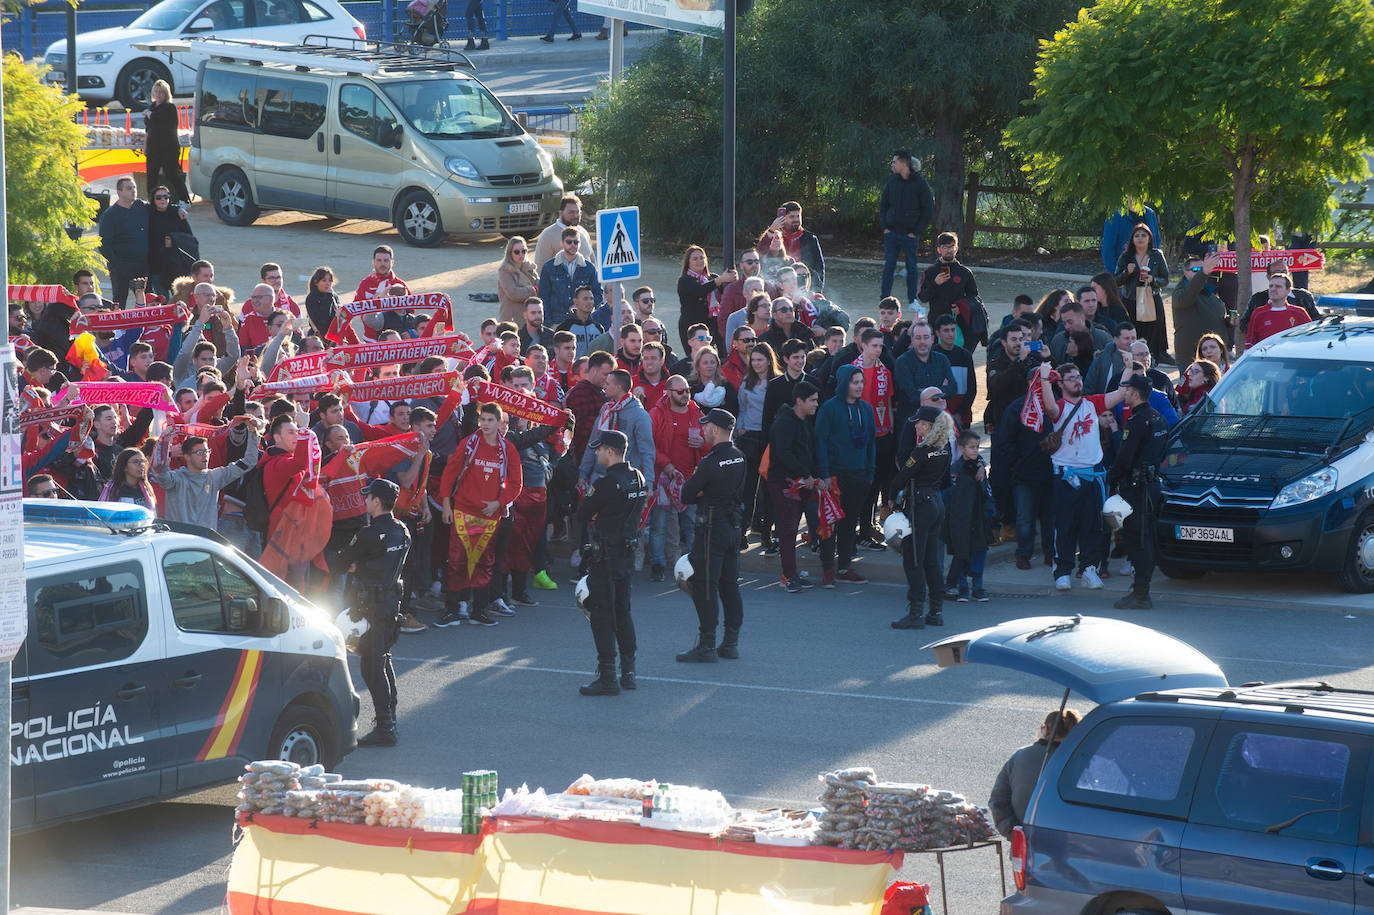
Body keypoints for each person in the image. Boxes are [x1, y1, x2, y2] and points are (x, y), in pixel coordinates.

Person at [332, 479, 412, 747]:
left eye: (368, 497)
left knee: (372, 667)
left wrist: (359, 567)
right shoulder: (403, 531)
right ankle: (389, 720)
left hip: (371, 606)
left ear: (376, 501)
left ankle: (386, 728)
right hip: (392, 604)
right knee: (382, 660)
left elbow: (342, 562)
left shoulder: (368, 534)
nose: (365, 501)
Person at [1036, 361, 1128, 591]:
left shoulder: (1092, 403)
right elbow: (1048, 408)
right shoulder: (1059, 407)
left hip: (1093, 475)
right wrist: (1045, 380)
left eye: (1079, 376)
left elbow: (1120, 393)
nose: (1077, 381)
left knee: (1093, 526)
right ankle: (1063, 571)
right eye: (1071, 378)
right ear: (1062, 384)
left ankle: (1089, 569)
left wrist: (1127, 366)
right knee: (1065, 525)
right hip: (1066, 476)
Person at [575, 429, 648, 696]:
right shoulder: (638, 477)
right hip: (626, 554)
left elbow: (583, 513)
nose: (596, 453)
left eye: (599, 449)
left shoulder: (606, 483)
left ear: (610, 451)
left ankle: (608, 676)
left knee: (602, 615)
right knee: (623, 611)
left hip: (605, 556)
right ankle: (628, 672)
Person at [438, 403, 523, 627]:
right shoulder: (469, 444)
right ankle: (453, 609)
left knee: (484, 562)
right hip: (463, 510)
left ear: (499, 423)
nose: (485, 424)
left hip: (490, 515)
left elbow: (516, 484)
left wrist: (498, 503)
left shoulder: (508, 449)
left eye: (490, 420)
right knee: (457, 560)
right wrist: (446, 504)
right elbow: (450, 473)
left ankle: (479, 610)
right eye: (482, 420)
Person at [675, 409, 747, 663]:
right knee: (730, 585)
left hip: (712, 528)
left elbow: (686, 495)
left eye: (706, 427)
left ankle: (706, 645)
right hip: (733, 526)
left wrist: (703, 493)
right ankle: (730, 643)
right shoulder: (739, 457)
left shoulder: (709, 462)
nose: (703, 430)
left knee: (705, 586)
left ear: (715, 430)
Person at [1108, 375, 1169, 610]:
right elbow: (1163, 451)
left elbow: (1125, 457)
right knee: (1146, 539)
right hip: (1152, 485)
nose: (1124, 393)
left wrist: (1111, 477)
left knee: (1137, 540)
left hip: (1136, 489)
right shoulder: (1158, 418)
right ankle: (1141, 590)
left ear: (1135, 393)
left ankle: (1141, 594)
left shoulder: (1137, 421)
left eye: (1127, 390)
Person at [889, 405, 952, 629]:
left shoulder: (921, 451)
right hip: (936, 502)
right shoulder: (945, 449)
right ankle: (936, 612)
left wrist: (890, 497)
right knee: (932, 560)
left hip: (921, 505)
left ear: (928, 426)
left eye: (920, 423)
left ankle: (915, 613)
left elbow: (902, 476)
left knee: (913, 558)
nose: (916, 425)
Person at [814, 364, 875, 587]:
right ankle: (828, 568)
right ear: (844, 383)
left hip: (859, 475)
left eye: (861, 382)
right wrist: (825, 474)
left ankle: (844, 566)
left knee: (850, 523)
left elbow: (871, 444)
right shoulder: (829, 408)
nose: (859, 386)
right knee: (830, 524)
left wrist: (869, 473)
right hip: (835, 476)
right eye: (854, 382)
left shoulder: (866, 409)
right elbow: (819, 442)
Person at [989, 708, 1082, 838]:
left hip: (1025, 842)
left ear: (1045, 730)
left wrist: (1015, 834)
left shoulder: (1019, 756)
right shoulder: (1079, 761)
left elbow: (998, 800)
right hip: (1068, 841)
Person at [647, 375, 703, 581]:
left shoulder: (696, 411)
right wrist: (666, 465)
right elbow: (649, 443)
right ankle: (658, 565)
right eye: (680, 391)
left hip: (689, 478)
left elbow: (707, 440)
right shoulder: (657, 413)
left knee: (692, 525)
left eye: (687, 390)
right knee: (659, 525)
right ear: (668, 393)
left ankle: (694, 565)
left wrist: (702, 443)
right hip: (664, 477)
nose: (685, 394)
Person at [151, 425, 261, 528]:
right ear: (187, 457)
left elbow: (249, 461)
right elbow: (161, 473)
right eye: (200, 452)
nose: (205, 455)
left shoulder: (215, 476)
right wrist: (164, 444)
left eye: (207, 451)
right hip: (181, 544)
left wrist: (252, 432)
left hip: (206, 544)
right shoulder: (175, 479)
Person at [768, 380, 820, 592]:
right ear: (799, 401)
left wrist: (814, 476)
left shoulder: (803, 421)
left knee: (791, 528)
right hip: (784, 484)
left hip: (799, 484)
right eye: (813, 401)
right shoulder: (784, 423)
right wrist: (806, 475)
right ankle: (788, 577)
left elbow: (805, 453)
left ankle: (791, 574)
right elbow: (784, 454)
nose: (816, 404)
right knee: (788, 530)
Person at [943, 429, 994, 603]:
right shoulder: (956, 469)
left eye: (977, 447)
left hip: (979, 515)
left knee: (980, 551)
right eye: (971, 447)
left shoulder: (979, 466)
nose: (975, 450)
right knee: (962, 551)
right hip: (961, 516)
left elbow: (986, 491)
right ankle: (962, 586)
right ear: (962, 448)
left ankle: (978, 587)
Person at [879, 149, 935, 303]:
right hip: (891, 233)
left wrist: (916, 232)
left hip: (910, 234)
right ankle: (884, 298)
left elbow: (928, 209)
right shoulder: (892, 182)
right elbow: (883, 205)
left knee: (911, 267)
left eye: (895, 162)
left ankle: (912, 300)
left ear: (904, 163)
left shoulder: (920, 184)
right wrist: (885, 227)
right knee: (889, 266)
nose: (892, 165)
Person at [1114, 223, 1171, 363]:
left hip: (1151, 296)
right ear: (1132, 239)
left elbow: (1165, 279)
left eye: (1144, 235)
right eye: (1137, 235)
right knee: (1134, 328)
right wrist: (1127, 272)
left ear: (1149, 238)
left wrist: (1153, 279)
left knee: (1155, 327)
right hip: (1131, 298)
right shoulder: (1126, 257)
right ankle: (1133, 356)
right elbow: (1115, 281)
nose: (1140, 238)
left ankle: (1158, 355)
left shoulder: (1157, 255)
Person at [917, 233, 982, 348]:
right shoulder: (930, 271)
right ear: (939, 250)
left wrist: (961, 308)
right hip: (935, 322)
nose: (949, 250)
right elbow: (922, 297)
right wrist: (935, 284)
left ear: (956, 248)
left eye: (951, 246)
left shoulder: (965, 273)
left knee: (959, 356)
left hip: (959, 322)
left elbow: (974, 297)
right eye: (945, 247)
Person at [97, 176, 150, 308]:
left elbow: (161, 207)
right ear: (119, 192)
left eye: (134, 188)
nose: (133, 191)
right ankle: (119, 328)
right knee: (120, 300)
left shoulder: (141, 207)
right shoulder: (110, 215)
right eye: (129, 188)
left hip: (142, 263)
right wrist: (117, 264)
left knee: (148, 297)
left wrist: (178, 209)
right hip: (121, 265)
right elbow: (104, 245)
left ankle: (150, 327)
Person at [1171, 249, 1227, 367]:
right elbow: (1186, 297)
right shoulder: (1180, 292)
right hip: (1190, 358)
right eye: (1196, 270)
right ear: (1185, 273)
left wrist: (1228, 322)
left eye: (1203, 269)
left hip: (1212, 358)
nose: (1201, 272)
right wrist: (1204, 272)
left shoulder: (1207, 292)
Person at [677, 245, 735, 353]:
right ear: (688, 263)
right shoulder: (684, 280)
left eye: (702, 258)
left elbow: (727, 294)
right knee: (694, 357)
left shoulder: (713, 277)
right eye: (695, 259)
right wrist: (721, 280)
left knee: (720, 355)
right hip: (691, 326)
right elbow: (699, 290)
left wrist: (732, 280)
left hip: (713, 323)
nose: (699, 261)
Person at [539, 229, 602, 327]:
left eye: (576, 242)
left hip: (583, 322)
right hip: (557, 322)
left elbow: (598, 294)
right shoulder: (549, 267)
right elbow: (543, 297)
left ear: (580, 244)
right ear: (562, 243)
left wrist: (583, 304)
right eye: (569, 242)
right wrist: (549, 323)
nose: (573, 245)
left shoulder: (589, 268)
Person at [761, 202, 825, 290]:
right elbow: (760, 253)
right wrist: (772, 230)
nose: (796, 219)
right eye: (792, 217)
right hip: (778, 287)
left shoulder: (810, 239)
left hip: (804, 287)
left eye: (798, 216)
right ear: (783, 218)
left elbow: (819, 267)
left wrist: (817, 291)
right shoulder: (775, 237)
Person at [143, 81, 188, 203]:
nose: (158, 94)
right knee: (151, 176)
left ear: (166, 93)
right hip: (154, 147)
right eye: (156, 91)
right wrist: (145, 145)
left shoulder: (170, 107)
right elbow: (148, 128)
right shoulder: (152, 107)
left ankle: (184, 199)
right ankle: (151, 201)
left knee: (172, 174)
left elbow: (159, 119)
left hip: (169, 148)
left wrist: (149, 113)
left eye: (161, 92)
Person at [1242, 273, 1312, 351]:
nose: (1273, 289)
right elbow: (1250, 342)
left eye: (1278, 286)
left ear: (1288, 291)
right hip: (1267, 359)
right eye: (1271, 286)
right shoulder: (1258, 313)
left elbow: (1309, 340)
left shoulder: (1299, 312)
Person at [147, 184, 193, 296]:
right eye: (158, 197)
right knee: (163, 301)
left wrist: (174, 240)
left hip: (176, 265)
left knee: (179, 301)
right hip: (156, 265)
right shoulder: (148, 214)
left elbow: (190, 238)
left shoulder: (177, 214)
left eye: (166, 196)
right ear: (153, 200)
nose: (163, 199)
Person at [933, 313, 975, 427]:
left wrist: (959, 413)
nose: (951, 334)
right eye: (946, 330)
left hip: (962, 416)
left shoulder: (965, 355)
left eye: (953, 330)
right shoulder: (932, 355)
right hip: (937, 416)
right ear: (937, 333)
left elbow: (972, 388)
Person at [533, 195, 595, 267]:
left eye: (578, 212)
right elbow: (540, 268)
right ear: (560, 213)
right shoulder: (548, 235)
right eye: (571, 212)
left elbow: (593, 261)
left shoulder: (583, 232)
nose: (575, 216)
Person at [1102, 202, 1160, 273]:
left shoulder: (1150, 214)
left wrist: (1155, 272)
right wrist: (1116, 276)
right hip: (1124, 274)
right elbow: (1107, 249)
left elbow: (1156, 243)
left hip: (1147, 273)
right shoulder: (1115, 216)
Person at [498, 237, 540, 324]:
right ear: (510, 253)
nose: (521, 254)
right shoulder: (504, 270)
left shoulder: (530, 267)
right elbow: (514, 293)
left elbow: (540, 285)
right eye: (517, 252)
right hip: (511, 319)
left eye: (523, 251)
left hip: (530, 317)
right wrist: (533, 290)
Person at [305, 266, 340, 338]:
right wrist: (327, 298)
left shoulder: (334, 296)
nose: (328, 283)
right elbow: (322, 319)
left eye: (330, 280)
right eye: (324, 280)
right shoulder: (311, 298)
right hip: (318, 337)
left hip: (334, 336)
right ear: (316, 282)